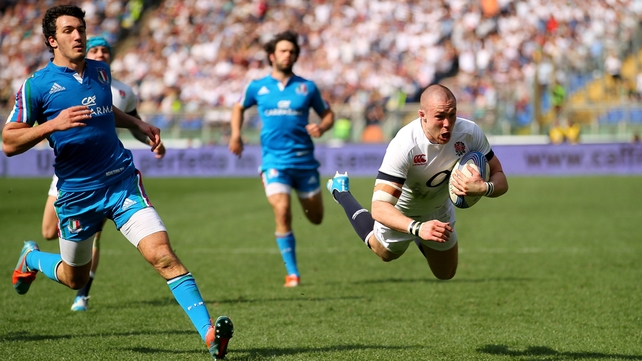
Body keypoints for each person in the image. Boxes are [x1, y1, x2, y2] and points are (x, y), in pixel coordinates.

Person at [3, 5, 232, 360]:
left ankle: (209, 334)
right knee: (75, 279)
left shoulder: (101, 71)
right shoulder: (36, 87)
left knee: (163, 256)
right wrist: (51, 125)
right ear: (52, 40)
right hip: (77, 196)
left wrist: (137, 124)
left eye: (80, 28)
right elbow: (8, 142)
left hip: (121, 183)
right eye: (68, 31)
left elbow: (103, 108)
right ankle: (31, 259)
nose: (78, 35)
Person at [326, 84, 508, 279]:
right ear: (423, 115)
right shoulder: (405, 144)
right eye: (440, 116)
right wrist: (418, 227)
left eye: (452, 114)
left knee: (445, 273)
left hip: (438, 209)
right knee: (384, 253)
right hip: (403, 211)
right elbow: (379, 208)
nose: (447, 123)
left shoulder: (470, 133)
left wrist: (484, 187)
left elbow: (500, 177)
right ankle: (341, 193)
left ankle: (422, 236)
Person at [39, 36, 167, 312]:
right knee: (48, 231)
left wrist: (149, 139)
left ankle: (81, 295)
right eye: (95, 49)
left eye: (104, 50)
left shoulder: (120, 89)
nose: (100, 54)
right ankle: (35, 258)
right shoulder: (59, 81)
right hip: (70, 174)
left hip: (107, 173)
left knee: (94, 234)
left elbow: (132, 122)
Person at [228, 30, 334, 287]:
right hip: (274, 162)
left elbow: (328, 114)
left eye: (293, 52)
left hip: (304, 162)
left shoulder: (306, 87)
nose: (289, 55)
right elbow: (238, 107)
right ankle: (293, 273)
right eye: (284, 51)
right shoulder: (257, 87)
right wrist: (235, 135)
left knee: (316, 217)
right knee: (282, 210)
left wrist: (321, 127)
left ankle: (302, 198)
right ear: (272, 55)